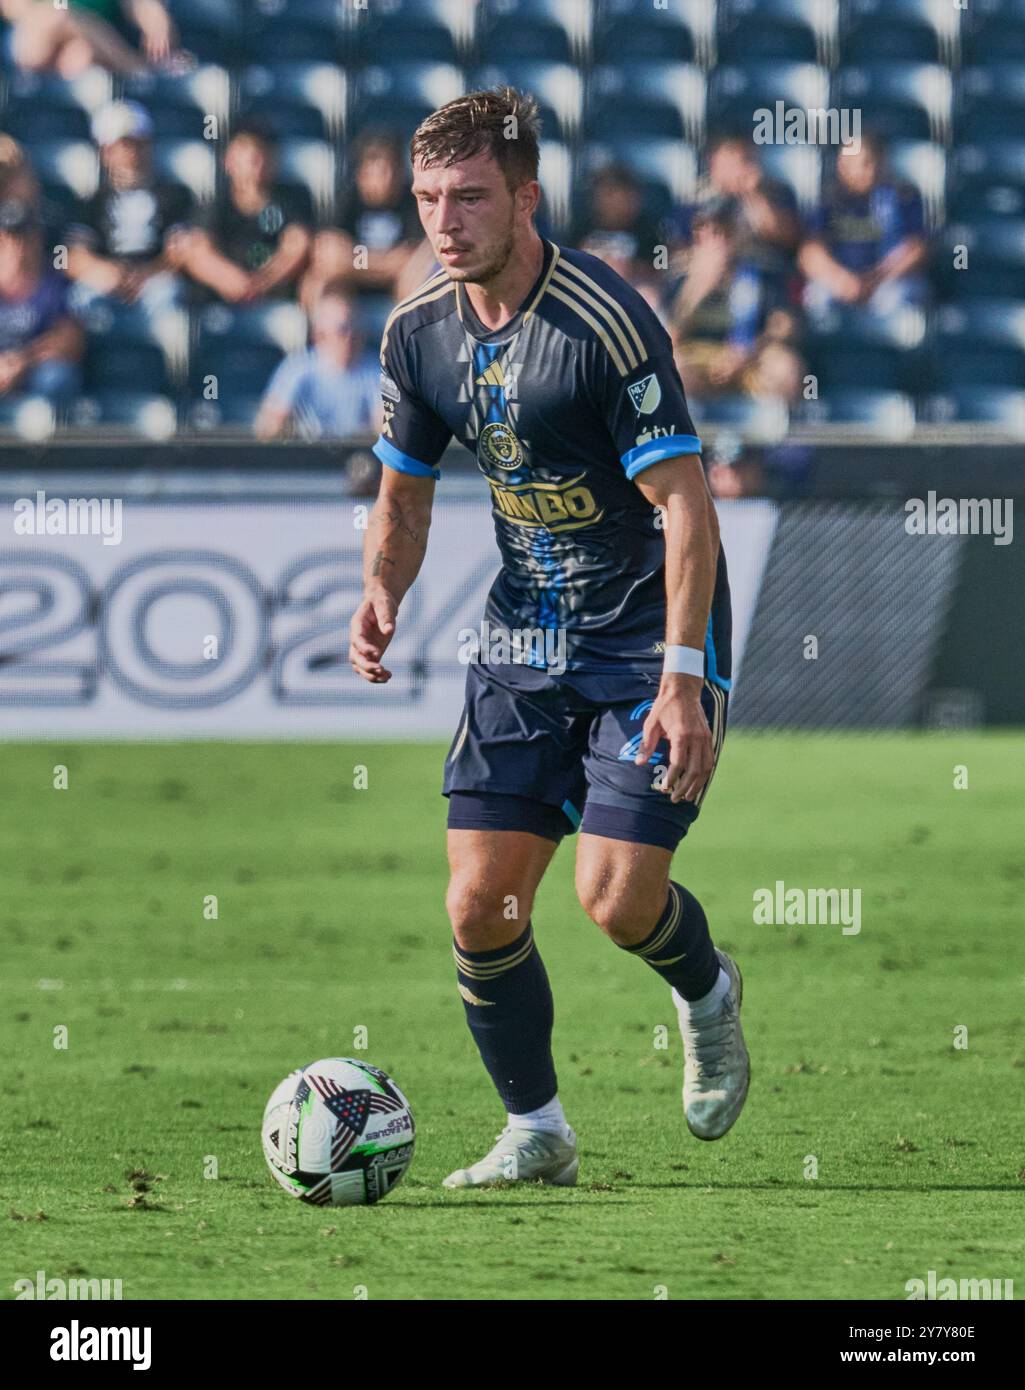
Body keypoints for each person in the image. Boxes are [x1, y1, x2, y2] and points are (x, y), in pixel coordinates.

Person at [348, 88, 749, 1190]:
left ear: (524, 199)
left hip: (644, 637)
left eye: (469, 197)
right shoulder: (415, 333)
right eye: (428, 197)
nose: (443, 220)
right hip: (523, 635)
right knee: (480, 903)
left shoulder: (603, 323)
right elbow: (402, 496)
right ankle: (538, 1131)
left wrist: (678, 677)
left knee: (614, 901)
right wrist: (379, 590)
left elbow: (687, 505)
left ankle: (706, 991)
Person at [65, 101, 192, 317]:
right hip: (109, 276)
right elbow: (72, 255)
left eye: (140, 143)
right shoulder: (92, 202)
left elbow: (182, 250)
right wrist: (106, 272)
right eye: (125, 144)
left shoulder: (174, 196)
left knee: (169, 295)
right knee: (81, 298)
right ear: (106, 152)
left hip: (155, 278)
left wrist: (147, 274)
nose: (133, 153)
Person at [669, 203, 803, 401]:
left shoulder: (761, 272)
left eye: (725, 232)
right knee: (672, 370)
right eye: (706, 232)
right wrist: (697, 287)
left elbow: (785, 326)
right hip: (700, 354)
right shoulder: (679, 278)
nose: (717, 240)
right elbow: (667, 339)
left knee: (786, 369)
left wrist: (748, 351)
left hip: (751, 355)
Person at [178, 121, 312, 304]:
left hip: (274, 298)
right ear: (228, 160)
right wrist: (236, 283)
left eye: (262, 151)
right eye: (245, 149)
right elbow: (198, 251)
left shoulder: (290, 202)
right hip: (219, 303)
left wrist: (262, 282)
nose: (254, 158)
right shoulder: (216, 205)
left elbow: (298, 244)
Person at [799, 133, 928, 321]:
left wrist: (877, 278)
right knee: (817, 297)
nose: (855, 170)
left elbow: (918, 248)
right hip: (842, 282)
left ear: (881, 162)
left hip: (889, 283)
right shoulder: (829, 200)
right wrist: (841, 281)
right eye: (847, 163)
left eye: (865, 162)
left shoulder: (903, 196)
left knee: (897, 299)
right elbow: (810, 253)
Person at [254, 284, 381, 441]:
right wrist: (281, 421)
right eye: (343, 329)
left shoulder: (375, 370)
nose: (351, 335)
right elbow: (268, 427)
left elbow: (383, 428)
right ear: (319, 335)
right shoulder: (296, 368)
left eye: (356, 328)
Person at [0, 201, 83, 413]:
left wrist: (22, 361)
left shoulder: (54, 282)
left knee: (59, 377)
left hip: (34, 370)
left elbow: (70, 341)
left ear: (37, 241)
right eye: (9, 237)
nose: (17, 246)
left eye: (24, 237)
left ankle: (48, 445)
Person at [1, 0, 179, 77]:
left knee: (81, 55)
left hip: (84, 56)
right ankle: (133, 68)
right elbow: (20, 13)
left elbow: (139, 5)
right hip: (27, 46)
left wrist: (157, 23)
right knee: (57, 15)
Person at [567, 163, 665, 299]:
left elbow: (662, 267)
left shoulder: (651, 231)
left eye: (624, 198)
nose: (615, 204)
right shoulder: (581, 229)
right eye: (608, 196)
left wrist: (630, 268)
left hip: (632, 295)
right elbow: (564, 264)